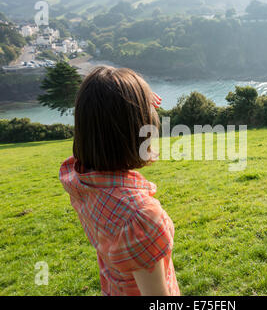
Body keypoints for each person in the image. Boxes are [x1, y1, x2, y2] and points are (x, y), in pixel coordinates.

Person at [59, 67, 179, 296]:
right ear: (138, 130)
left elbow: (98, 113)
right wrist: (137, 103)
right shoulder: (139, 217)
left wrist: (135, 99)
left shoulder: (80, 179)